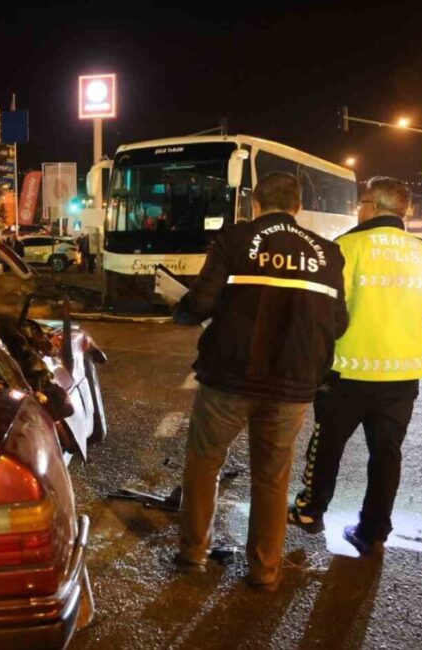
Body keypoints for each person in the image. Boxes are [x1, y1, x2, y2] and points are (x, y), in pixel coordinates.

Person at [170, 172, 349, 590]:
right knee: (272, 477)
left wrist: (180, 309)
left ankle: (192, 554)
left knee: (204, 462)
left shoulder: (234, 239)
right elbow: (338, 323)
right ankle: (265, 570)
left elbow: (202, 302)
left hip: (229, 376)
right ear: (297, 207)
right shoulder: (327, 253)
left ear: (255, 203)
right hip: (293, 384)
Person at [289, 177, 422, 555]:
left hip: (348, 369)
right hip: (403, 372)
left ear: (373, 207)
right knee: (386, 452)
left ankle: (311, 511)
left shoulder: (346, 246)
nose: (358, 209)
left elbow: (326, 308)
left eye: (361, 202)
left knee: (326, 444)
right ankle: (374, 529)